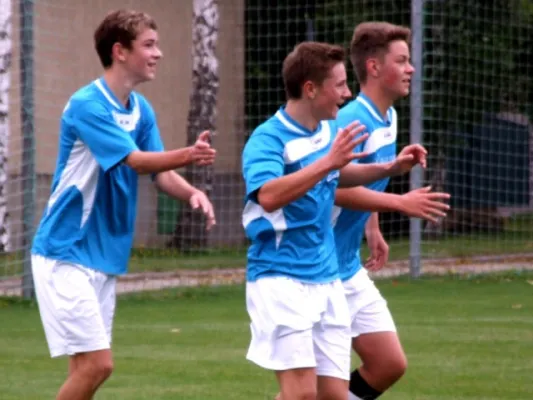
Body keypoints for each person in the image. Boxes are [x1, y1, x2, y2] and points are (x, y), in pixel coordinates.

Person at [30, 9, 216, 400]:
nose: (158, 53)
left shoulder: (140, 109)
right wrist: (189, 154)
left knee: (85, 368)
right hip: (66, 250)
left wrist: (192, 192)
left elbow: (161, 174)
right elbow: (135, 161)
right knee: (99, 365)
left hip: (102, 256)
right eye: (149, 45)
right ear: (120, 51)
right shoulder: (87, 105)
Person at [242, 41, 426, 400]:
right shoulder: (267, 139)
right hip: (281, 276)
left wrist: (389, 167)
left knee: (334, 396)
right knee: (301, 395)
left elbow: (338, 177)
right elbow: (268, 195)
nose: (346, 94)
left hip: (327, 277)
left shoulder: (326, 133)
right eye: (339, 85)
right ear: (310, 89)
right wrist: (330, 162)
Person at [333, 21, 442, 400]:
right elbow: (329, 188)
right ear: (375, 68)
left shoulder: (389, 118)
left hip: (347, 265)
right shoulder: (350, 121)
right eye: (402, 60)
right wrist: (399, 203)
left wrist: (372, 228)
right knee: (308, 392)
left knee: (389, 364)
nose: (411, 68)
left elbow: (364, 177)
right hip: (317, 270)